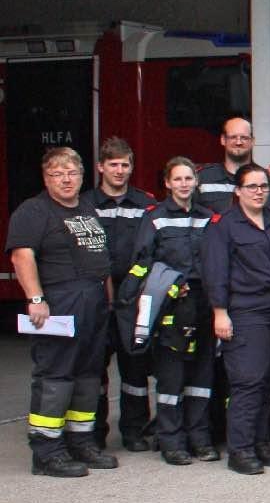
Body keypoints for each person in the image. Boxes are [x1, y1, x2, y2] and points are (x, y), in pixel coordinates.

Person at [10, 147, 116, 477]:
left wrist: (108, 300)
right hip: (59, 302)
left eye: (72, 173)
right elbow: (21, 256)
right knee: (56, 377)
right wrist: (35, 298)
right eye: (57, 174)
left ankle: (80, 441)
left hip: (93, 302)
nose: (66, 179)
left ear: (82, 176)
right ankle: (47, 451)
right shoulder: (34, 211)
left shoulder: (86, 208)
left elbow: (100, 256)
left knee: (88, 376)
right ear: (46, 178)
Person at [202, 163, 270, 475]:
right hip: (245, 310)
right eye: (252, 186)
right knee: (248, 380)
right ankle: (241, 449)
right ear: (238, 191)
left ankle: (261, 442)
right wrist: (220, 313)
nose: (259, 192)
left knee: (269, 379)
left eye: (263, 186)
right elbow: (215, 272)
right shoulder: (224, 225)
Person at [122, 157, 215, 465]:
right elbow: (142, 264)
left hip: (204, 303)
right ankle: (171, 440)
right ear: (167, 183)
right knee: (171, 376)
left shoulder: (208, 218)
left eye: (188, 178)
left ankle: (199, 439)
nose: (184, 184)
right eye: (178, 179)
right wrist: (171, 284)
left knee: (202, 375)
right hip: (172, 305)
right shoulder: (155, 218)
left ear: (196, 182)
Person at [84, 136, 154, 450]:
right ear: (101, 167)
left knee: (135, 369)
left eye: (125, 165)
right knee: (94, 369)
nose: (119, 170)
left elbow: (152, 250)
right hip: (95, 298)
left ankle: (134, 431)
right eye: (113, 164)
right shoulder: (85, 204)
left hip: (132, 300)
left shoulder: (145, 204)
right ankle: (94, 433)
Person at [196, 117, 255, 213]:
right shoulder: (203, 177)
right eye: (233, 137)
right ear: (223, 140)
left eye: (244, 138)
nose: (238, 142)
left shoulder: (265, 179)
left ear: (252, 141)